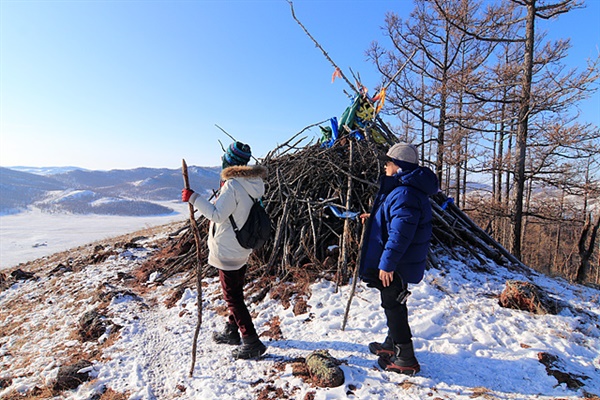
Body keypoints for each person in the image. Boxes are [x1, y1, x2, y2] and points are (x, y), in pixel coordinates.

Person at [182, 141, 268, 360]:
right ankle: (232, 331)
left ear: (229, 162)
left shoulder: (232, 186)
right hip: (242, 246)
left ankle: (251, 341)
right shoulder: (253, 182)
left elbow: (217, 215)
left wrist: (193, 198)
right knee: (236, 290)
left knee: (232, 296)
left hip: (228, 248)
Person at [358, 142, 438, 375]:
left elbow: (401, 233)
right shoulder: (404, 189)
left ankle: (405, 357)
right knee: (393, 302)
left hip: (399, 263)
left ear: (399, 166)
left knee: (394, 305)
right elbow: (394, 219)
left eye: (389, 162)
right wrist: (373, 218)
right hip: (400, 262)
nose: (385, 166)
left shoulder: (405, 193)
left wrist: (387, 264)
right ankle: (391, 345)